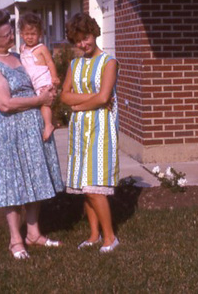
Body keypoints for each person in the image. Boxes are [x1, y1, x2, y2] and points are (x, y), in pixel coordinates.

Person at [0, 9, 65, 260]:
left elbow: (40, 75)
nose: (11, 37)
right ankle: (16, 240)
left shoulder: (17, 56)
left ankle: (34, 234)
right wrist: (40, 99)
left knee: (36, 179)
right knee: (13, 185)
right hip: (13, 130)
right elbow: (4, 104)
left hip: (34, 126)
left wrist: (48, 88)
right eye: (5, 34)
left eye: (10, 31)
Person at [60, 13, 120, 253]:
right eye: (77, 41)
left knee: (95, 187)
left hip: (101, 129)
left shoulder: (109, 62)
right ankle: (94, 235)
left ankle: (110, 238)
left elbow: (106, 97)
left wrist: (79, 104)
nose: (83, 44)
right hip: (79, 130)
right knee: (85, 187)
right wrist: (89, 100)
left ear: (94, 33)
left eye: (85, 38)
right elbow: (64, 95)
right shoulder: (74, 65)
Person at [18, 12, 60, 141]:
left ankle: (48, 125)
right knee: (39, 105)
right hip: (33, 82)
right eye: (27, 34)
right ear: (21, 34)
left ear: (40, 34)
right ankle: (53, 120)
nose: (30, 37)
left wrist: (54, 77)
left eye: (33, 34)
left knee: (45, 103)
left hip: (43, 79)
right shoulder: (22, 48)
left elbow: (50, 62)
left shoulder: (41, 48)